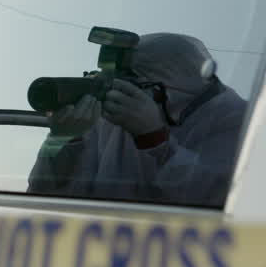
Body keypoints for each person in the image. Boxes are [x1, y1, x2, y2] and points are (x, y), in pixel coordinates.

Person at [28, 32, 248, 208]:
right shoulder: (112, 114)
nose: (121, 93)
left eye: (137, 84)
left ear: (174, 85)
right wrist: (60, 141)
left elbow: (221, 201)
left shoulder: (237, 118)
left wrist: (155, 140)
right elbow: (43, 197)